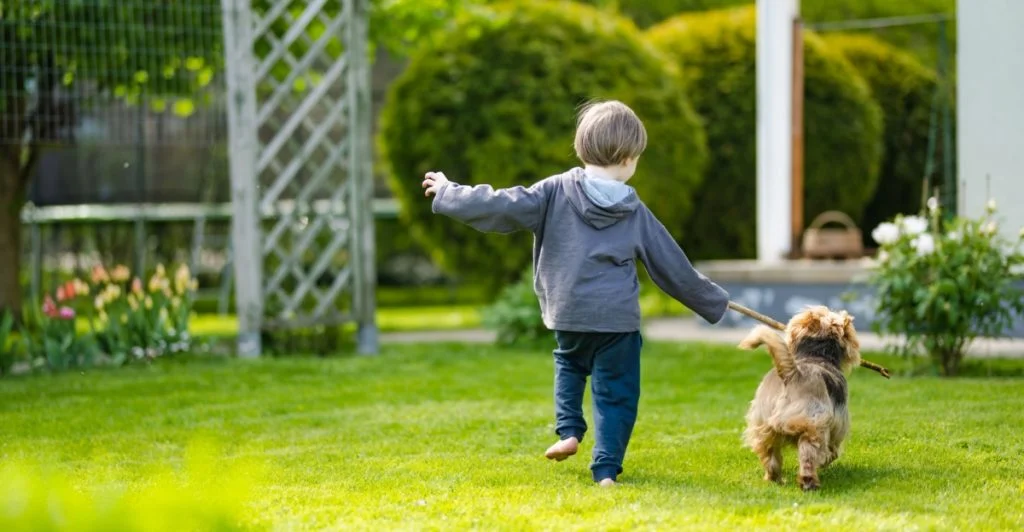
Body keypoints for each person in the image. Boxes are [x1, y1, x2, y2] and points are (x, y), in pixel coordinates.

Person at [422, 100, 730, 487]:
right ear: (628, 157)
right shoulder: (635, 211)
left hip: (568, 312)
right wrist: (716, 302)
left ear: (584, 149)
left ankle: (568, 431)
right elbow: (671, 266)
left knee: (569, 365)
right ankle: (605, 471)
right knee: (616, 394)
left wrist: (450, 193)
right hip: (616, 321)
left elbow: (500, 206)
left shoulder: (552, 192)